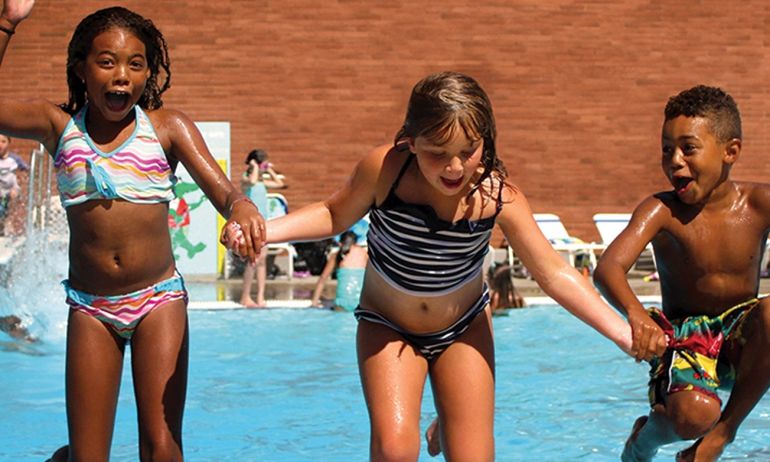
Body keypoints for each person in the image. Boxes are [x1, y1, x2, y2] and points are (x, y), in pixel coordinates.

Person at [253, 71, 633, 460]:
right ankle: (449, 420)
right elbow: (334, 214)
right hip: (388, 324)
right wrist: (263, 231)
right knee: (395, 450)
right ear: (411, 141)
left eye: (468, 151)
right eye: (437, 151)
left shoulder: (498, 197)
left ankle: (451, 421)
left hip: (463, 327)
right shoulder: (387, 171)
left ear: (486, 140)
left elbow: (554, 273)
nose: (453, 167)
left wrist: (623, 333)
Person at [0, 2, 264, 460]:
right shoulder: (58, 127)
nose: (122, 74)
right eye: (107, 62)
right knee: (88, 455)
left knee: (161, 447)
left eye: (135, 64)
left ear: (148, 74)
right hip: (91, 307)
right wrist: (6, 23)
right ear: (81, 69)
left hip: (159, 301)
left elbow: (227, 194)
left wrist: (241, 211)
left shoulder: (167, 128)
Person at [593, 85, 770, 462]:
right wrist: (637, 315)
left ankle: (721, 437)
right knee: (694, 417)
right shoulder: (661, 210)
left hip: (743, 336)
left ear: (730, 151)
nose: (674, 160)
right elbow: (608, 267)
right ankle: (643, 442)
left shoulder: (759, 203)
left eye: (688, 148)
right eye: (666, 150)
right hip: (686, 337)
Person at [239, 148, 285, 307]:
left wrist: (269, 169)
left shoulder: (262, 182)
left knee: (262, 260)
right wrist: (255, 166)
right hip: (251, 224)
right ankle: (245, 297)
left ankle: (260, 296)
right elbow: (251, 181)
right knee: (253, 260)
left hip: (263, 224)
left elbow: (280, 183)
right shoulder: (245, 179)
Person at [310, 230, 368, 311]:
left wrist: (314, 302)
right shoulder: (364, 254)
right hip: (360, 304)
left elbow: (323, 279)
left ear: (340, 243)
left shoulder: (336, 255)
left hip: (342, 305)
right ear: (356, 242)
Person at [0, 134, 26, 235]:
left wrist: (20, 182)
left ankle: (8, 221)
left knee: (13, 196)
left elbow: (27, 170)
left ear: (8, 143)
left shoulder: (14, 159)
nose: (0, 145)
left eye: (3, 142)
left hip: (11, 189)